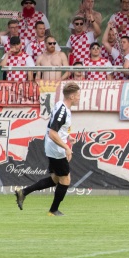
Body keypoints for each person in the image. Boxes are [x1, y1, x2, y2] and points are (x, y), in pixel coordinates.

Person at [15, 82, 82, 216]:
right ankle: (53, 210)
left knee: (56, 179)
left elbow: (56, 127)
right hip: (56, 149)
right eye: (78, 95)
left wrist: (67, 137)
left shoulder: (61, 106)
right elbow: (52, 133)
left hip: (53, 146)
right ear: (72, 96)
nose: (79, 98)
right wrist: (67, 148)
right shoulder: (62, 110)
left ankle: (24, 192)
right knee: (65, 179)